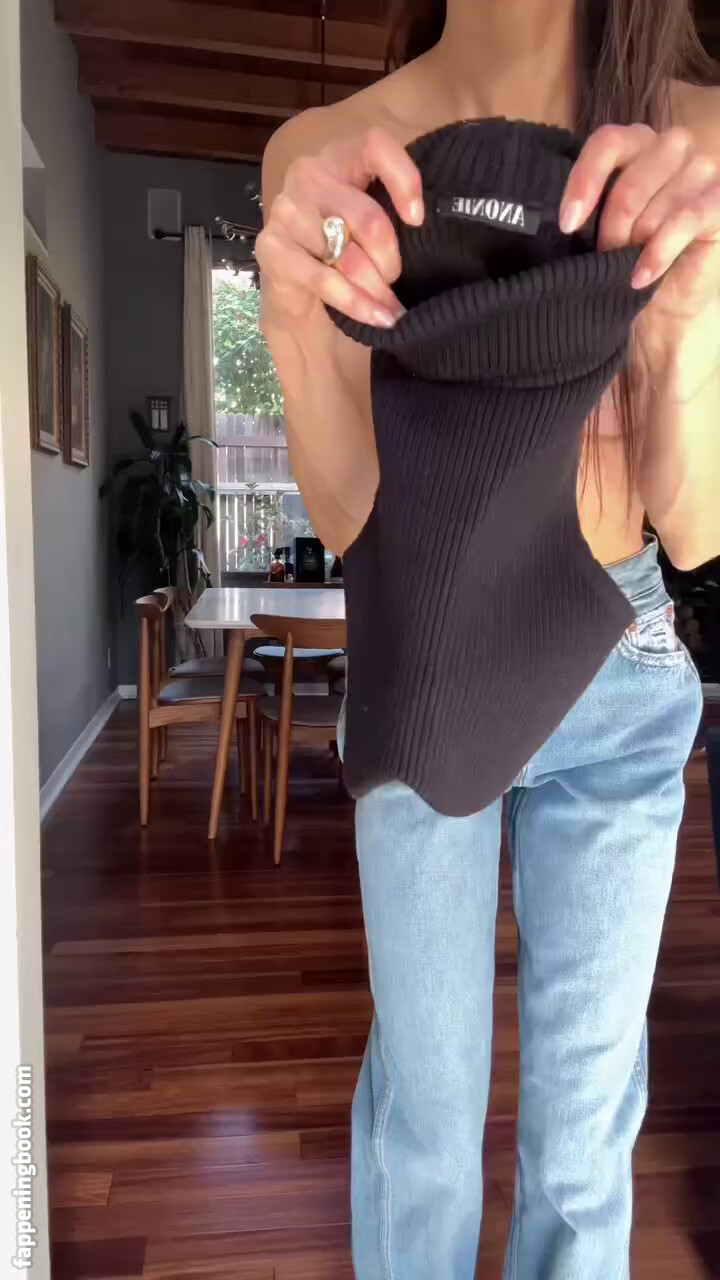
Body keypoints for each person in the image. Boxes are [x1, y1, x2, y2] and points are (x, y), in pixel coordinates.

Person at [255, 2, 720, 1276]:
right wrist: (293, 327)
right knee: (426, 1124)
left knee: (583, 1149)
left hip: (622, 658)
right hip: (427, 643)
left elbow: (696, 524)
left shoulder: (698, 140)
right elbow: (350, 516)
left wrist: (686, 320)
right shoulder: (332, 153)